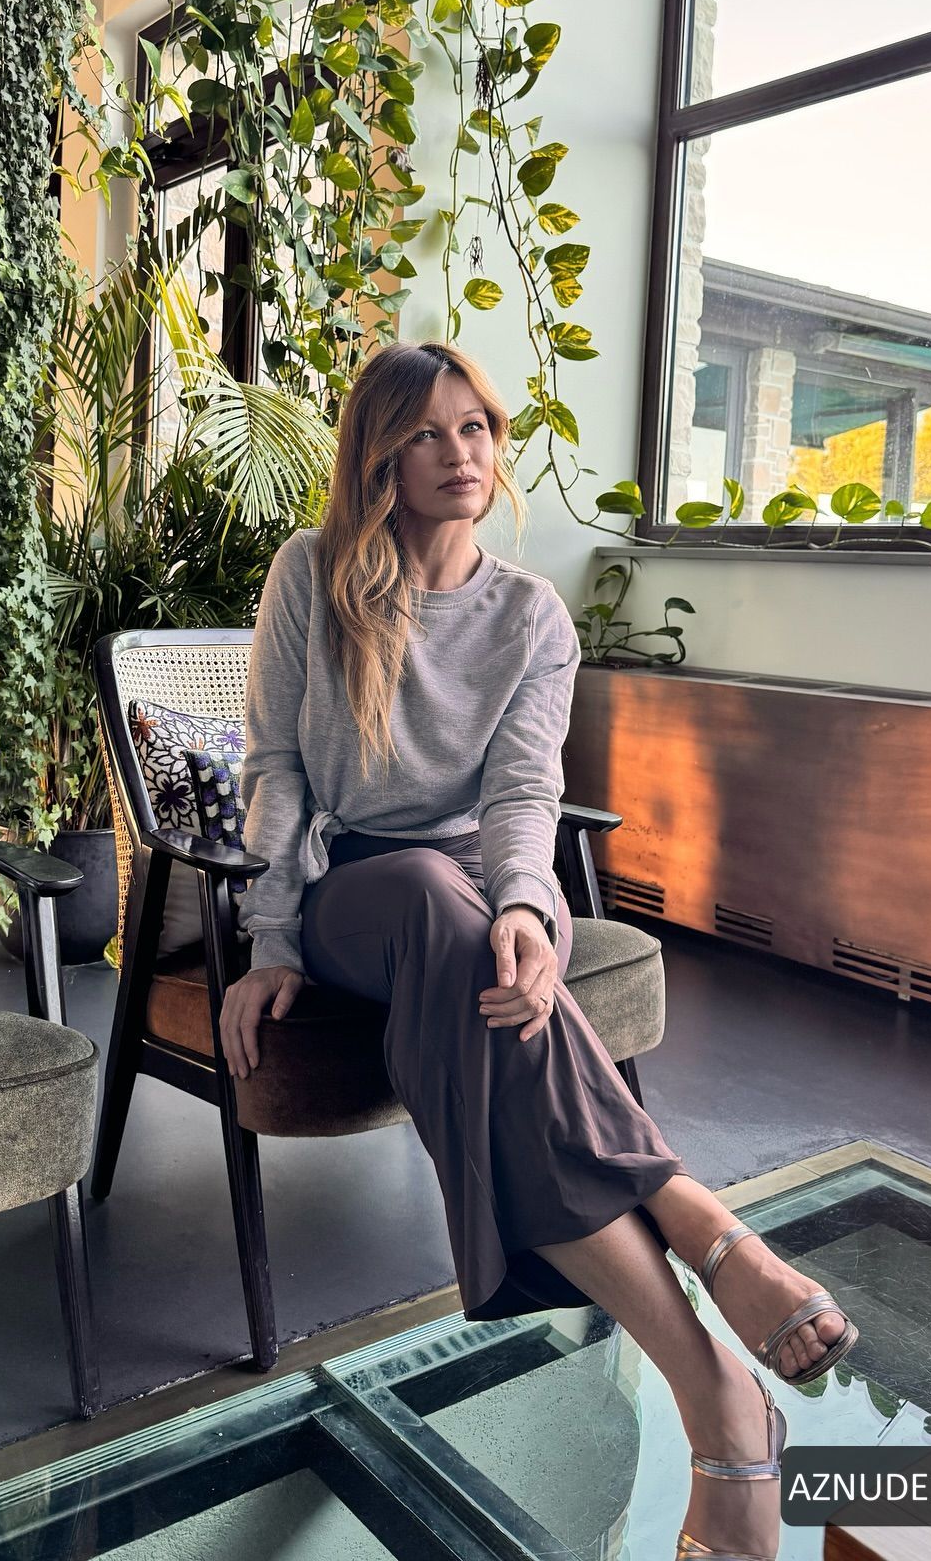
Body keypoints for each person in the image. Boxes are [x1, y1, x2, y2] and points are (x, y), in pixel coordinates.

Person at [219, 341, 859, 1561]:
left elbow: (524, 794)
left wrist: (525, 905)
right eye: (425, 433)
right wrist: (273, 938)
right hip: (367, 888)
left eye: (475, 428)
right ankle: (703, 1228)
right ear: (378, 456)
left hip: (494, 887)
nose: (459, 454)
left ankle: (718, 1400)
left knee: (484, 947)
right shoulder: (313, 575)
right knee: (427, 895)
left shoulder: (530, 614)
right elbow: (279, 770)